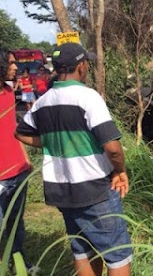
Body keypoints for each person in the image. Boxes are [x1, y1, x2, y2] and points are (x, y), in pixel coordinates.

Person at [15, 43, 132, 276]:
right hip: (94, 189)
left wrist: (51, 141)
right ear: (81, 66)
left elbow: (21, 133)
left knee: (82, 251)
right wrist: (120, 171)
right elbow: (113, 148)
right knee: (117, 256)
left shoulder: (42, 101)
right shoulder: (87, 97)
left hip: (63, 191)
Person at [0, 49, 34, 270]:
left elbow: (14, 128)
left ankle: (18, 260)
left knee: (16, 222)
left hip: (19, 169)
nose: (15, 67)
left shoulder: (9, 91)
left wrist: (26, 159)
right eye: (11, 64)